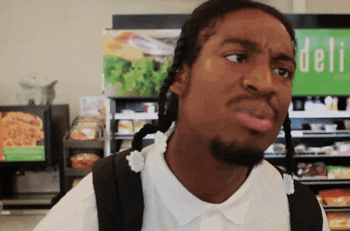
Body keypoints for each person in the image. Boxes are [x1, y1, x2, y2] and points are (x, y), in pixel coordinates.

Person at [34, 0, 330, 230]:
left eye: (282, 71)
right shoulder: (99, 206)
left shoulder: (302, 213)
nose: (266, 83)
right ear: (180, 76)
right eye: (237, 57)